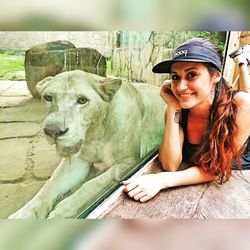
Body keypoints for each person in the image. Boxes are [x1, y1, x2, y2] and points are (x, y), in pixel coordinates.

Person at [122, 37, 250, 203]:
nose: (181, 87)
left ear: (216, 76)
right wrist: (173, 108)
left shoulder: (241, 105)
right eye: (175, 77)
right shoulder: (179, 109)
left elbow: (217, 168)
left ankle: (243, 61)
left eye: (191, 75)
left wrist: (161, 180)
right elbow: (170, 165)